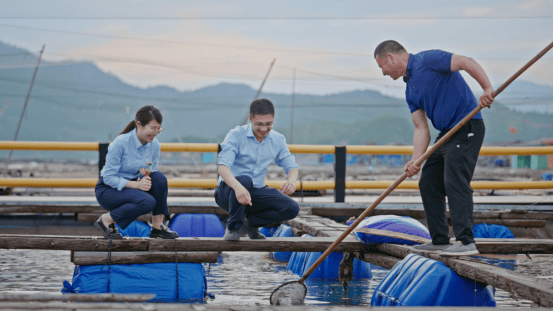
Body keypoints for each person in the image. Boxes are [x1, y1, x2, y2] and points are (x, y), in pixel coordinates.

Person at [374, 40, 494, 256]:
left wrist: (487, 88)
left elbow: (466, 62)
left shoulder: (428, 60)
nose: (383, 73)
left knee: (454, 179)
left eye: (381, 66)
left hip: (467, 125)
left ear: (390, 58)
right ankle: (439, 240)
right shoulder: (410, 90)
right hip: (445, 134)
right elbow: (421, 128)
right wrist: (415, 160)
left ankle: (466, 242)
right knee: (428, 182)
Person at [215, 98, 300, 241]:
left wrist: (291, 181)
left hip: (254, 192)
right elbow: (222, 167)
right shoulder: (236, 135)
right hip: (228, 191)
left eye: (268, 124)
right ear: (250, 119)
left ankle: (250, 224)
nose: (263, 129)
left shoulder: (278, 139)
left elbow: (292, 167)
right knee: (244, 180)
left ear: (273, 120)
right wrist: (238, 187)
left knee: (292, 208)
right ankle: (233, 228)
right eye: (259, 124)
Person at [94, 105, 178, 240]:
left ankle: (157, 228)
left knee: (159, 178)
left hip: (131, 188)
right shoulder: (120, 143)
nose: (155, 133)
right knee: (147, 202)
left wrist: (144, 175)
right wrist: (137, 185)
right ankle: (106, 220)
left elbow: (152, 173)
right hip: (108, 190)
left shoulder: (154, 145)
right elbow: (108, 177)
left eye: (158, 129)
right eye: (152, 128)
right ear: (139, 124)